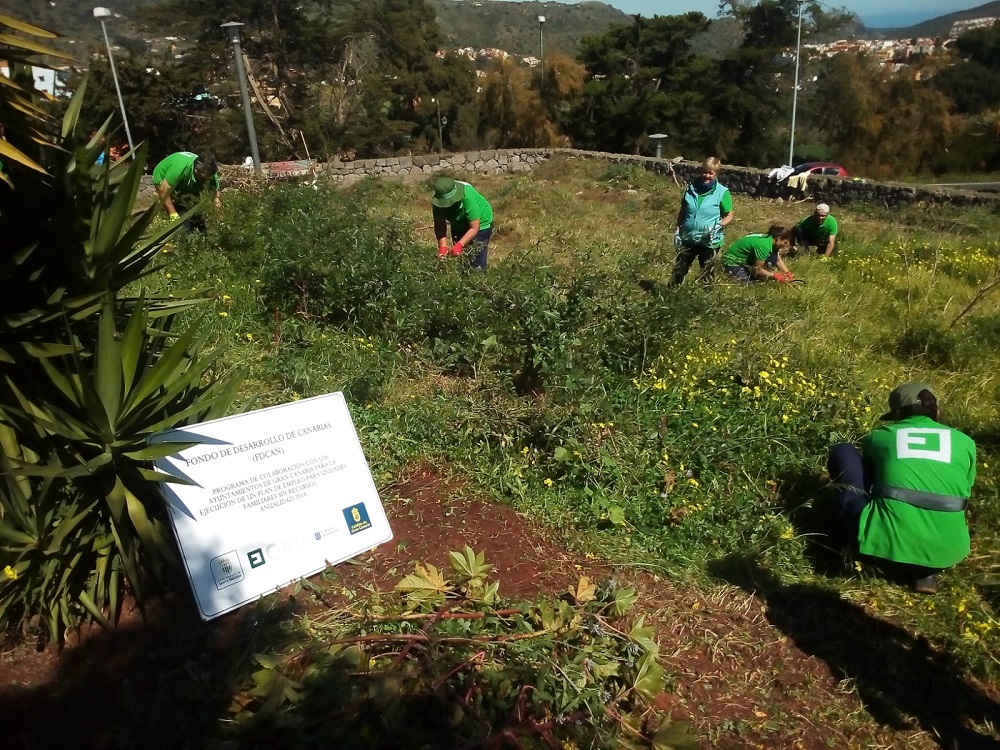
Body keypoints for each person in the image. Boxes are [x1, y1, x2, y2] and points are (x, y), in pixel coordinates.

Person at [826, 382, 976, 594]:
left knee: (843, 452)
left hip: (881, 549)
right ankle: (924, 571)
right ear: (937, 411)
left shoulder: (880, 437)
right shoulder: (966, 442)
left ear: (897, 414)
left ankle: (841, 541)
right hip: (946, 554)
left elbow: (870, 478)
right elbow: (966, 491)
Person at [671, 156, 733, 285]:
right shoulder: (690, 188)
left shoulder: (722, 192)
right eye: (705, 172)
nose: (707, 176)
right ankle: (670, 295)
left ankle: (705, 300)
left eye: (711, 173)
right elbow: (683, 210)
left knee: (706, 274)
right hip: (688, 238)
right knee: (679, 270)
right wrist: (678, 228)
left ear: (716, 174)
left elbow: (729, 215)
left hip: (708, 241)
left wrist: (718, 226)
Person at [431, 176, 494, 270]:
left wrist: (460, 244)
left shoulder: (467, 196)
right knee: (462, 259)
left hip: (481, 224)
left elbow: (474, 227)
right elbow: (439, 224)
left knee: (476, 260)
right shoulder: (437, 199)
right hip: (458, 222)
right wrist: (443, 246)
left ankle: (478, 279)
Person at [152, 151, 222, 221]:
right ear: (196, 170)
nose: (204, 181)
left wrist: (219, 219)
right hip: (164, 176)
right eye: (202, 178)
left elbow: (216, 198)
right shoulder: (180, 169)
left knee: (195, 212)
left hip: (186, 179)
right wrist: (173, 215)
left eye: (206, 178)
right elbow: (164, 190)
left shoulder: (212, 176)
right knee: (176, 209)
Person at [720, 226, 795, 283]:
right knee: (750, 283)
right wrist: (775, 276)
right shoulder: (763, 246)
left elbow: (777, 259)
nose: (785, 245)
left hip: (745, 259)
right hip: (732, 261)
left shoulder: (770, 240)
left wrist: (787, 272)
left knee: (771, 259)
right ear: (779, 239)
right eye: (785, 242)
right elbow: (758, 270)